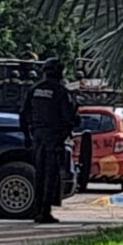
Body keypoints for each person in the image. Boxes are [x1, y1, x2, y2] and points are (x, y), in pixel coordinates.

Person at [20, 58, 77, 224]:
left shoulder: (34, 90)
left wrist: (27, 137)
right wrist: (69, 128)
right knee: (50, 176)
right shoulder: (61, 91)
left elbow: (23, 114)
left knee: (39, 175)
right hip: (53, 140)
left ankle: (38, 210)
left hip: (37, 138)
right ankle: (44, 211)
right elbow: (69, 118)